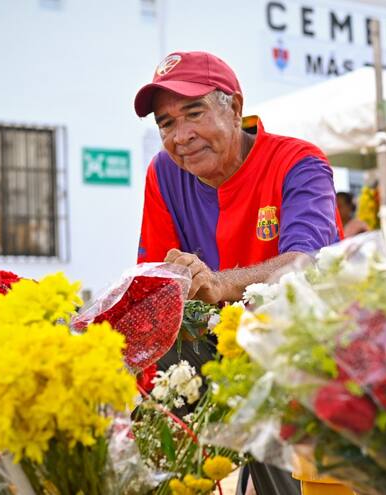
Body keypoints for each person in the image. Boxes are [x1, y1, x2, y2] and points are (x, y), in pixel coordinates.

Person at [133, 51, 344, 495]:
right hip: (223, 360)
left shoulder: (298, 162)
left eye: (194, 112)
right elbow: (154, 281)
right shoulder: (164, 173)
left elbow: (307, 264)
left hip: (307, 355)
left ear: (234, 107)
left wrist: (219, 283)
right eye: (166, 123)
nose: (181, 135)